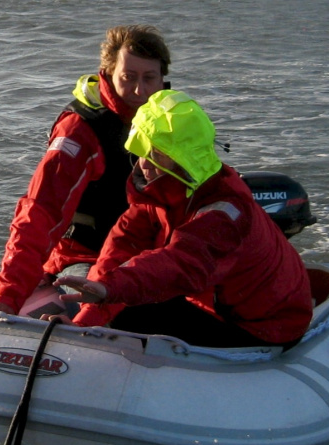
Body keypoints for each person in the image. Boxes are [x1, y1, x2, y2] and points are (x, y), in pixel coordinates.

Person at [57, 90, 312, 349]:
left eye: (155, 152)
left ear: (182, 156)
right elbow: (120, 250)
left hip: (264, 328)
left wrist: (110, 290)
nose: (144, 164)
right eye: (143, 150)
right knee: (122, 303)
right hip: (219, 307)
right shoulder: (157, 191)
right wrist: (86, 319)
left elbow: (183, 263)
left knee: (131, 314)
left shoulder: (225, 210)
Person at [0, 25, 171, 317]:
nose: (140, 90)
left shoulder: (171, 121)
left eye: (149, 78)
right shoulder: (80, 132)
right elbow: (39, 213)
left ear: (163, 79)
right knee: (118, 313)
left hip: (151, 252)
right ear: (108, 72)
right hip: (87, 256)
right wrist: (7, 297)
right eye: (128, 77)